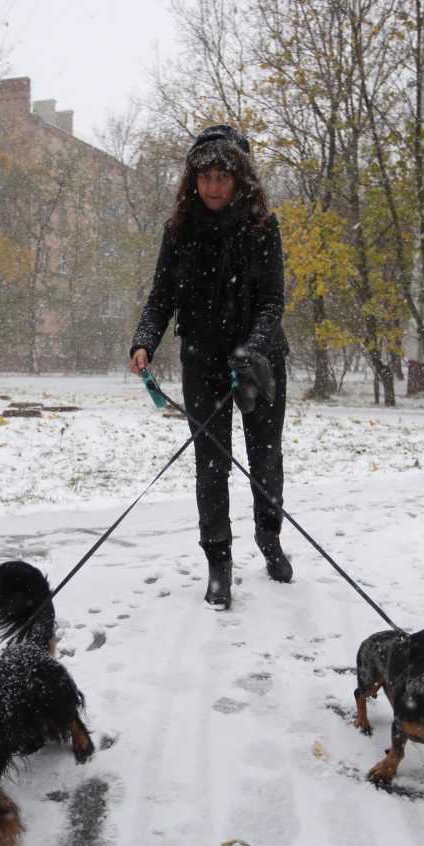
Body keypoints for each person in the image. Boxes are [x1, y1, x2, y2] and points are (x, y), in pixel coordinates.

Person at [128, 124, 291, 610]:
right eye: (205, 176)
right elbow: (161, 297)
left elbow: (272, 302)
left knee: (265, 460)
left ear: (241, 179)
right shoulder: (179, 231)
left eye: (224, 175)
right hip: (202, 363)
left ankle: (269, 538)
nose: (214, 185)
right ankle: (218, 563)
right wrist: (144, 341)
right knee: (211, 468)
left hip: (259, 365)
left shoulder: (263, 228)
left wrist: (252, 352)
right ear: (193, 180)